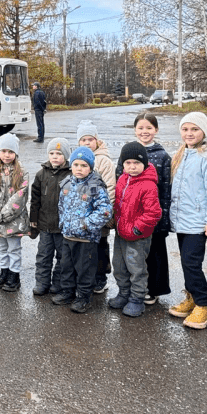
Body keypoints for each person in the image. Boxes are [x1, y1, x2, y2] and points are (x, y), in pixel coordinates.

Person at [167, 111, 207, 330]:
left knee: (192, 264)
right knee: (186, 263)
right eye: (185, 129)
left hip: (198, 223)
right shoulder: (181, 155)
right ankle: (192, 297)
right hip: (182, 221)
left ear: (203, 132)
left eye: (194, 129)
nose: (189, 133)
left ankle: (204, 305)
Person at [53, 146, 112, 313]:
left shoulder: (96, 186)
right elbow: (61, 206)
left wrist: (86, 223)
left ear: (91, 167)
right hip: (68, 236)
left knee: (84, 269)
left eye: (84, 165)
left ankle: (84, 296)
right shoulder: (66, 183)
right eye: (76, 165)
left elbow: (105, 211)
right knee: (66, 266)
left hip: (86, 238)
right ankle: (67, 292)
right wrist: (63, 223)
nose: (79, 169)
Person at [109, 141, 161, 317]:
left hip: (137, 237)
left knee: (136, 268)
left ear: (144, 164)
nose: (132, 167)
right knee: (119, 266)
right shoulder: (123, 179)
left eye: (136, 163)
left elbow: (153, 213)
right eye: (128, 163)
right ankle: (124, 293)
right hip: (120, 233)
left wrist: (137, 229)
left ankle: (137, 298)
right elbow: (118, 204)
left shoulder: (148, 184)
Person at [133, 113, 173, 305]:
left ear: (155, 130)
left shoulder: (162, 155)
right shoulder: (130, 152)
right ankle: (136, 287)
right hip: (133, 214)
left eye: (148, 128)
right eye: (140, 128)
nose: (144, 132)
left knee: (155, 253)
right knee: (135, 254)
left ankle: (155, 288)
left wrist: (163, 218)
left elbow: (166, 188)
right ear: (135, 130)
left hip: (154, 216)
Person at [0, 133, 30, 292]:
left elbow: (20, 195)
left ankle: (14, 275)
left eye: (10, 152)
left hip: (13, 220)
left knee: (13, 248)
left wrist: (4, 214)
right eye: (3, 151)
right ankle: (3, 272)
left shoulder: (21, 172)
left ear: (15, 153)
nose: (7, 155)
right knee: (1, 248)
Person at [28, 138, 72, 297]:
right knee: (43, 256)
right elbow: (35, 198)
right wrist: (33, 219)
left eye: (59, 154)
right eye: (52, 153)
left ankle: (58, 282)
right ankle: (42, 282)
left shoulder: (71, 174)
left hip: (62, 226)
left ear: (66, 156)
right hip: (45, 224)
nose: (55, 156)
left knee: (63, 257)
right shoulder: (41, 174)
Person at [77, 120, 116, 294]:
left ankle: (101, 278)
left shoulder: (104, 161)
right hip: (81, 216)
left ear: (97, 141)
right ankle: (86, 278)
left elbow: (111, 188)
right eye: (83, 139)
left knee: (100, 248)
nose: (87, 143)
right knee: (85, 250)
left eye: (90, 139)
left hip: (99, 216)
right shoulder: (78, 159)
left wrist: (104, 214)